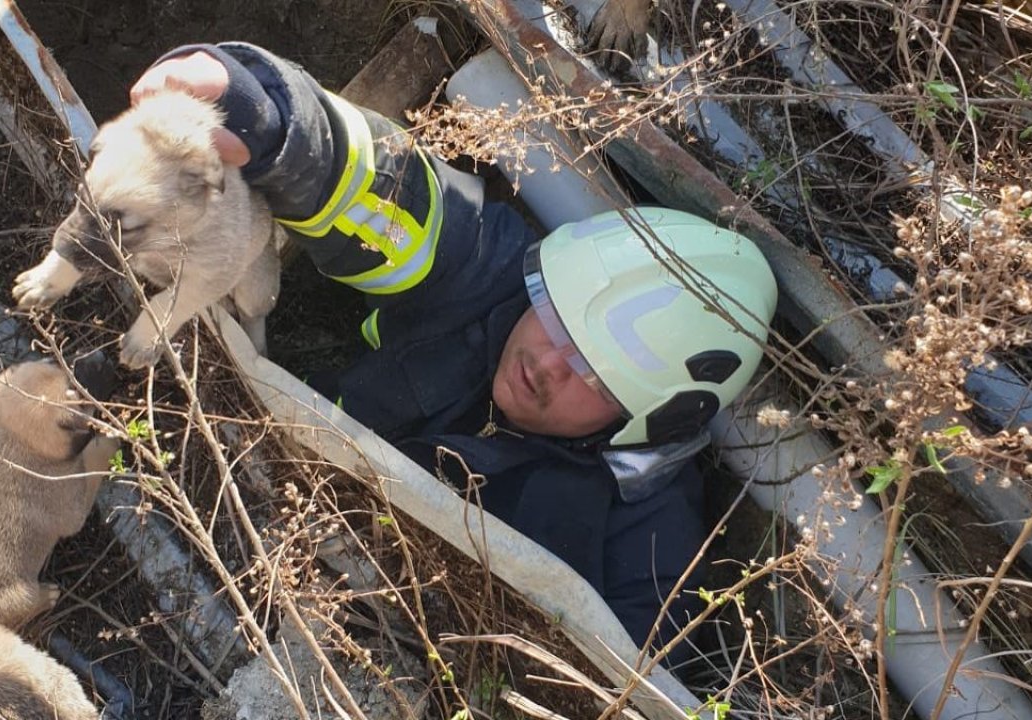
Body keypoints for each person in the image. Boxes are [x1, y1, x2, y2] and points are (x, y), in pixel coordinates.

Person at [129, 43, 778, 666]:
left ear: (643, 419)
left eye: (596, 377)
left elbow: (620, 686)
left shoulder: (653, 546)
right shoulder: (488, 276)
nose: (546, 364)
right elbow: (390, 197)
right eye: (554, 315)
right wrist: (261, 113)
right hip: (263, 476)